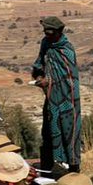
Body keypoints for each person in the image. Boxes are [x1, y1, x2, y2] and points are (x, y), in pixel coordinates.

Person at [32, 16, 81, 175]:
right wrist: (39, 76)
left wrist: (50, 81)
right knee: (48, 130)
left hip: (68, 99)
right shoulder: (45, 44)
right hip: (52, 98)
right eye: (45, 32)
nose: (47, 35)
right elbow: (39, 64)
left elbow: (70, 78)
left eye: (51, 32)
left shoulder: (67, 49)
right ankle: (48, 168)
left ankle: (73, 168)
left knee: (69, 131)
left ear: (59, 32)